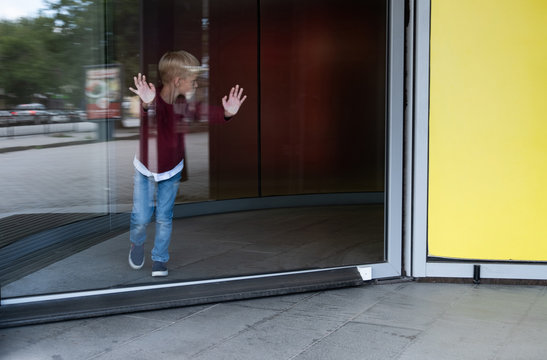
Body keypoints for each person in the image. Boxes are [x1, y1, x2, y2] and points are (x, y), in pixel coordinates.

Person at [128, 50, 246, 277]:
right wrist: (147, 102)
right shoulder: (155, 101)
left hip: (171, 170)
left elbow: (206, 113)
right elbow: (153, 111)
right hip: (145, 167)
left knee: (164, 216)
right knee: (141, 216)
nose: (196, 84)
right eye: (193, 80)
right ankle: (137, 242)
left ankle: (160, 258)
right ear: (177, 80)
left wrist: (227, 113)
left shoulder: (184, 105)